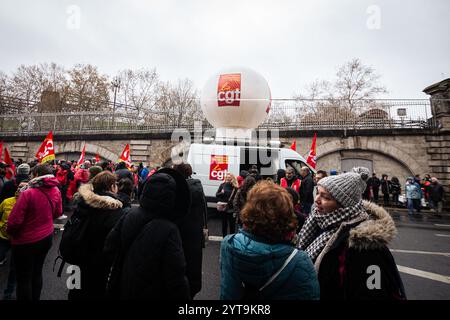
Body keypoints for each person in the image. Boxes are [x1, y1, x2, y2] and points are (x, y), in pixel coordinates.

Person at [296, 167, 406, 300]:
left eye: (325, 197)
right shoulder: (320, 223)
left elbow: (374, 293)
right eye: (318, 193)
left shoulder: (366, 245)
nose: (317, 200)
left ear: (343, 205)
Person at [220, 181, 320, 300]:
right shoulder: (300, 260)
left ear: (249, 209)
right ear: (287, 213)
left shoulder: (229, 244)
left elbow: (227, 293)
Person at [104, 168, 191, 299]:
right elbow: (176, 276)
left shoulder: (128, 214)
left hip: (123, 287)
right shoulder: (170, 230)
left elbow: (109, 247)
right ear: (170, 197)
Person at [7, 164, 63, 300]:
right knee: (37, 272)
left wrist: (10, 233)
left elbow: (14, 221)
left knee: (24, 277)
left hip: (25, 241)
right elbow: (58, 212)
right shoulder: (56, 190)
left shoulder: (27, 193)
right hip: (46, 237)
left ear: (37, 174)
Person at [67, 171, 124, 300]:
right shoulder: (113, 209)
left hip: (77, 257)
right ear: (111, 186)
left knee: (75, 290)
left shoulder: (83, 201)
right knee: (95, 292)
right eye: (115, 184)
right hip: (98, 263)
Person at [173, 163, 207, 298]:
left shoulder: (176, 189)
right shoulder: (198, 186)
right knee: (193, 265)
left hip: (179, 234)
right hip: (194, 235)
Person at [0, 180, 29, 300]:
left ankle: (8, 292)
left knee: (14, 268)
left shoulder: (29, 204)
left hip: (19, 240)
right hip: (3, 237)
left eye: (23, 188)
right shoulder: (7, 201)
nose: (19, 190)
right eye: (19, 187)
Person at [216, 173, 238, 237]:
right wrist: (221, 193)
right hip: (224, 207)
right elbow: (217, 195)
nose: (228, 178)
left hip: (232, 208)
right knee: (224, 224)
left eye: (229, 177)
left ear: (232, 179)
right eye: (227, 177)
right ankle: (224, 237)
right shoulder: (222, 185)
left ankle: (231, 238)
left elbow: (237, 198)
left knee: (232, 225)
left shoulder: (235, 187)